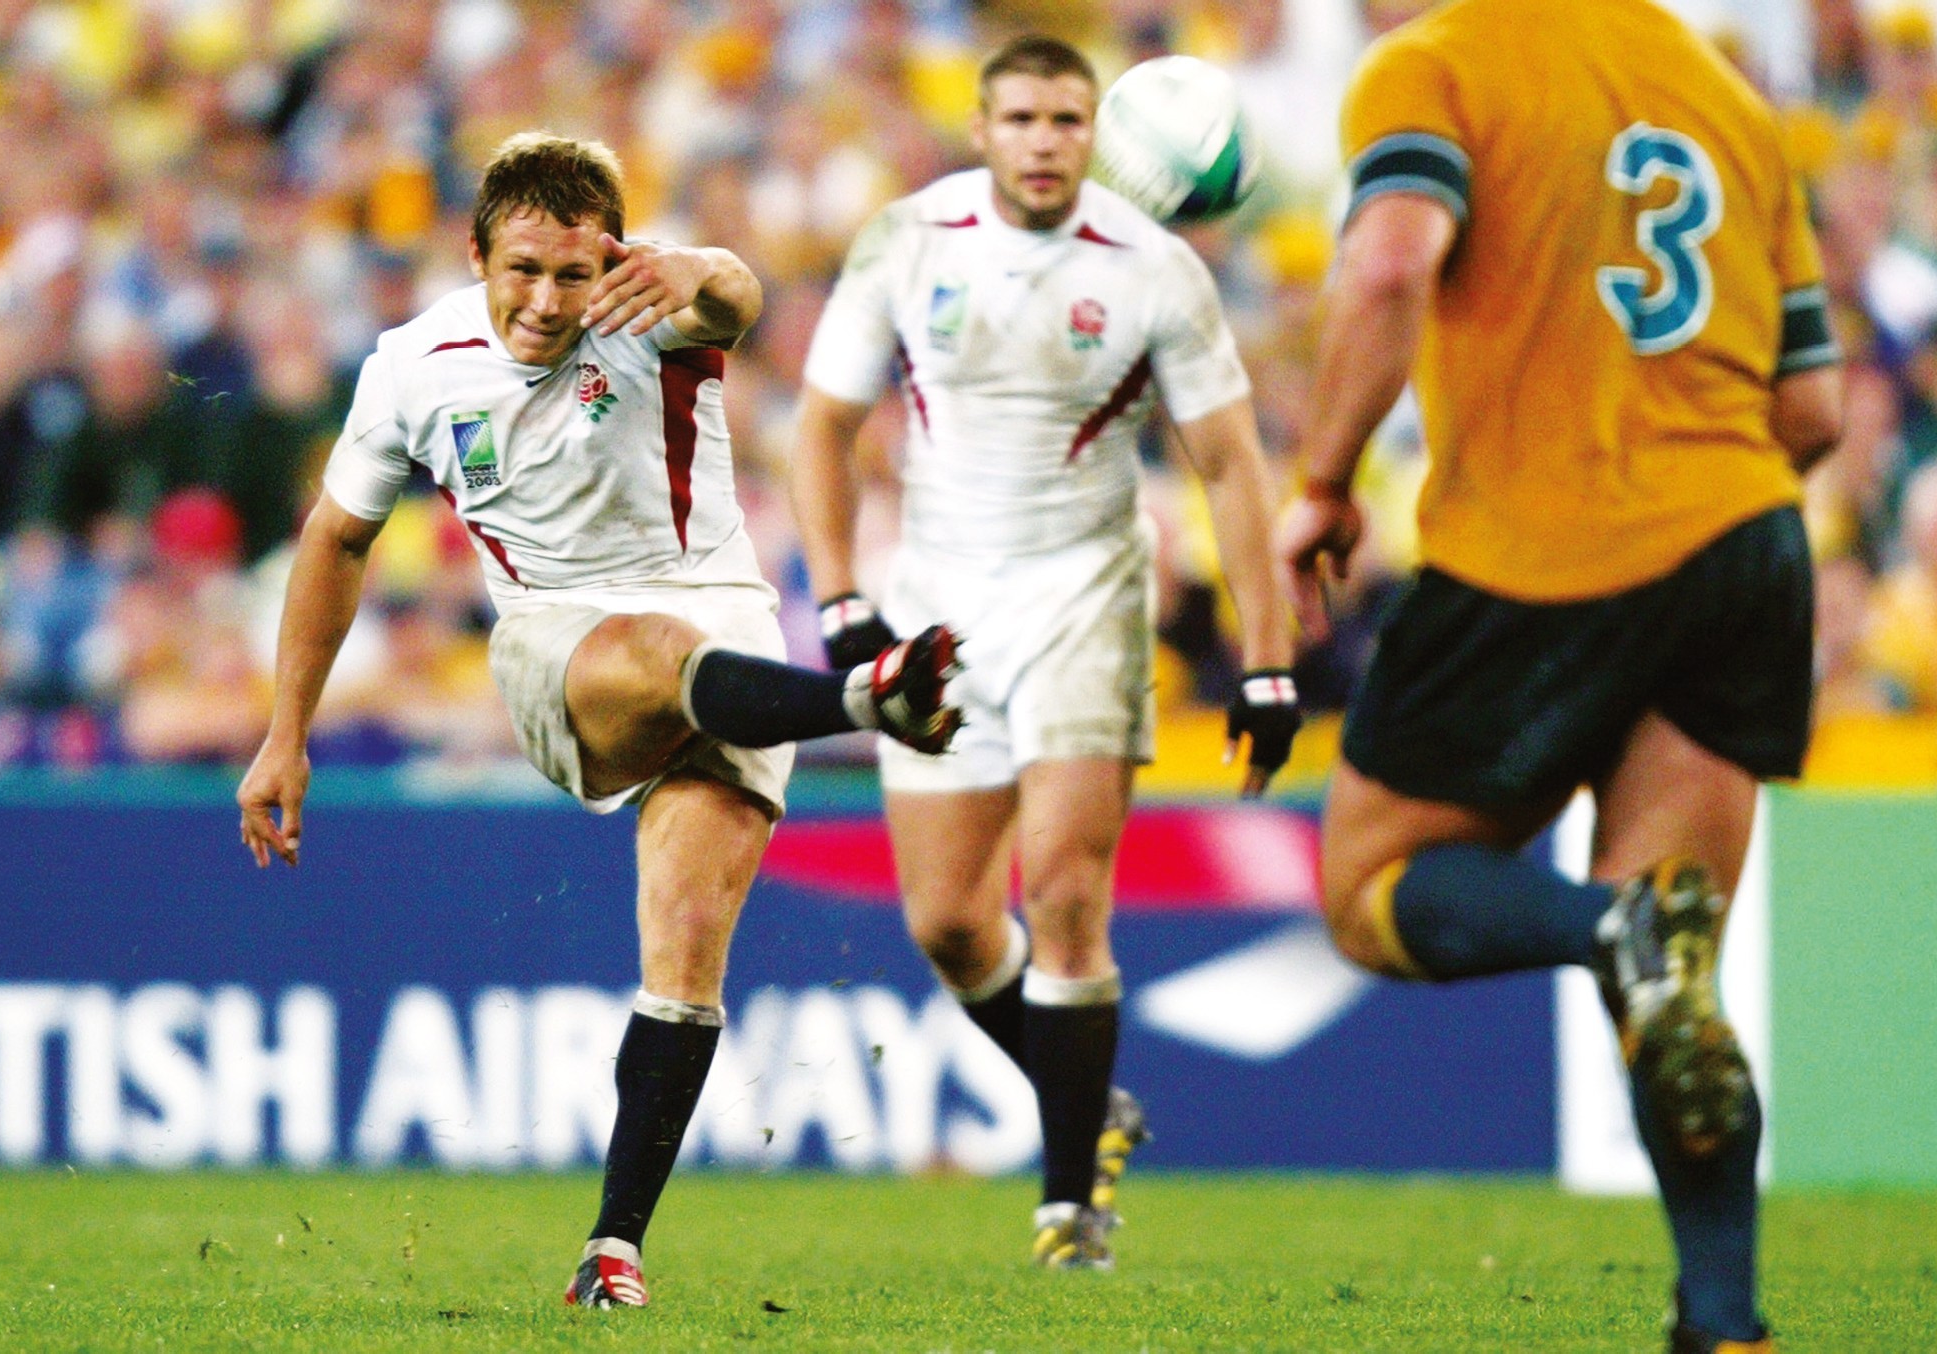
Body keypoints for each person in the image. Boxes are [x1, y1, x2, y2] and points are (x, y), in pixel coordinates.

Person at [235, 132, 964, 1312]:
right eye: (521, 270)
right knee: (656, 652)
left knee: (686, 948)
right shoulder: (413, 366)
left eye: (572, 274)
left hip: (726, 633)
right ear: (475, 255)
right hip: (558, 645)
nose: (544, 300)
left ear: (612, 259)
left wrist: (699, 268)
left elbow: (735, 293)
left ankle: (612, 1249)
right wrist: (286, 733)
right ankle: (862, 702)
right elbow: (337, 539)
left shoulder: (656, 308)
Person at [1272, 2, 1843, 1350]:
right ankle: (1724, 1320)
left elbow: (1389, 263)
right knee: (1675, 984)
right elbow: (1811, 409)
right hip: (1745, 544)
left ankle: (1605, 927)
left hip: (1543, 542)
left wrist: (1324, 482)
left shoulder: (1438, 65)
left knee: (1366, 884)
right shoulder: (1729, 99)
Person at [790, 36, 1299, 1269]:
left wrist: (1268, 658)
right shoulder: (910, 240)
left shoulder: (1156, 271)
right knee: (950, 923)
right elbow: (822, 424)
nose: (1042, 140)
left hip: (1086, 602)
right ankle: (1089, 1104)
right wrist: (844, 596)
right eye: (1019, 118)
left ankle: (1070, 1207)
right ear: (982, 129)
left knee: (1067, 892)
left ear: (1095, 136)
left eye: (1066, 120)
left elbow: (1231, 464)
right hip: (939, 614)